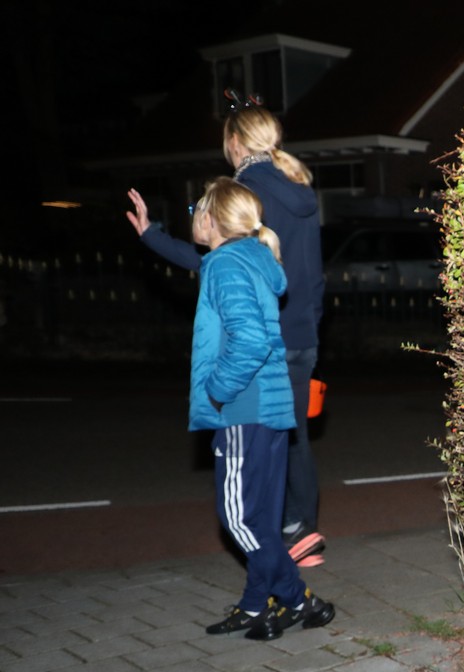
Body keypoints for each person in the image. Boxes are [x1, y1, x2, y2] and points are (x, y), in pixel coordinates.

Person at [126, 100, 327, 565]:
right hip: (303, 335)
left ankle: (272, 541)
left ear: (234, 142)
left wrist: (152, 236)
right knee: (293, 435)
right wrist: (311, 327)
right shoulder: (301, 189)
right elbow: (314, 274)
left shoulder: (242, 192)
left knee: (255, 443)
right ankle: (303, 533)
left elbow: (217, 261)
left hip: (261, 336)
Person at [187, 177, 335, 641]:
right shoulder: (255, 258)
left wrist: (216, 391)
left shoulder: (224, 263)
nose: (193, 216)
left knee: (239, 517)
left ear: (212, 218)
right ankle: (256, 605)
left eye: (195, 209)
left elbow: (249, 340)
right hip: (270, 406)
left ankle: (298, 599)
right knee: (264, 517)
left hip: (242, 407)